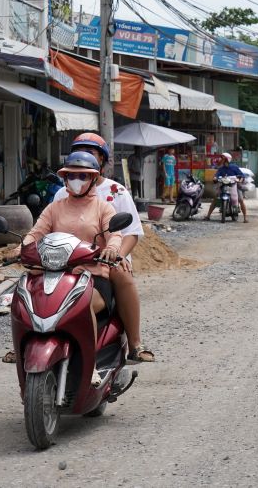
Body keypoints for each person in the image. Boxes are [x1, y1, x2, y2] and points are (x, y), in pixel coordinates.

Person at [17, 151, 123, 383]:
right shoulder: (54, 208)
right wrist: (21, 247)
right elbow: (36, 233)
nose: (77, 180)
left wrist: (112, 248)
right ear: (64, 178)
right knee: (24, 302)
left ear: (93, 179)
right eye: (72, 175)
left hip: (92, 276)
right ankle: (20, 348)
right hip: (54, 274)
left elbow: (114, 233)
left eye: (83, 175)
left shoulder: (103, 208)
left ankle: (91, 365)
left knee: (82, 307)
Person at [52, 133, 152, 363]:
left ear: (102, 162)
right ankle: (25, 345)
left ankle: (135, 343)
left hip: (105, 258)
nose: (85, 157)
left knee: (123, 276)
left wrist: (117, 254)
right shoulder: (61, 193)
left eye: (92, 153)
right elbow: (46, 229)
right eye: (80, 152)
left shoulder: (116, 192)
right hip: (66, 258)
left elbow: (132, 233)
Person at [204, 152, 248, 223]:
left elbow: (241, 175)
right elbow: (216, 176)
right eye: (221, 158)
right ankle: (208, 216)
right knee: (215, 199)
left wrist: (240, 180)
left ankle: (245, 217)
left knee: (240, 199)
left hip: (234, 185)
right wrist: (215, 178)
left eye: (223, 158)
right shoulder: (221, 169)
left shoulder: (234, 167)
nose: (221, 160)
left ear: (227, 159)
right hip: (223, 185)